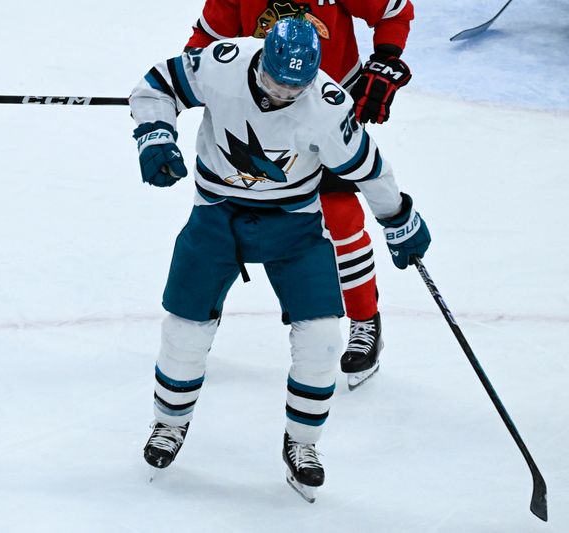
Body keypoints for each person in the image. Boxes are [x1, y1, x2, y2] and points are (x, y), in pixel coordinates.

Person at [130, 18, 429, 501]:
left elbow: (368, 169)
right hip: (216, 217)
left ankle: (303, 443)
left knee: (322, 339)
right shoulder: (223, 62)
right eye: (274, 80)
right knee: (184, 329)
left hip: (294, 229)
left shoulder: (328, 107)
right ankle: (169, 424)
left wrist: (399, 218)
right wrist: (155, 134)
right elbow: (156, 85)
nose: (282, 93)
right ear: (262, 59)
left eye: (296, 85)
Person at [185, 0, 416, 388]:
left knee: (340, 216)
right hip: (256, 111)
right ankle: (194, 325)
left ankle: (364, 319)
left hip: (326, 109)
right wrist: (182, 86)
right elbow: (205, 40)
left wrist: (386, 58)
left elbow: (395, 12)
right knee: (222, 224)